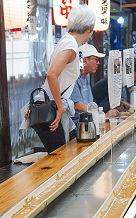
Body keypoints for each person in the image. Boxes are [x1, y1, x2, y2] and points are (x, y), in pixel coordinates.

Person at [23, 4, 97, 153]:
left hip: (49, 105)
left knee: (68, 151)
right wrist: (60, 106)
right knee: (61, 158)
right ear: (88, 29)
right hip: (49, 109)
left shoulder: (67, 41)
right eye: (92, 31)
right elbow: (51, 75)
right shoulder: (70, 45)